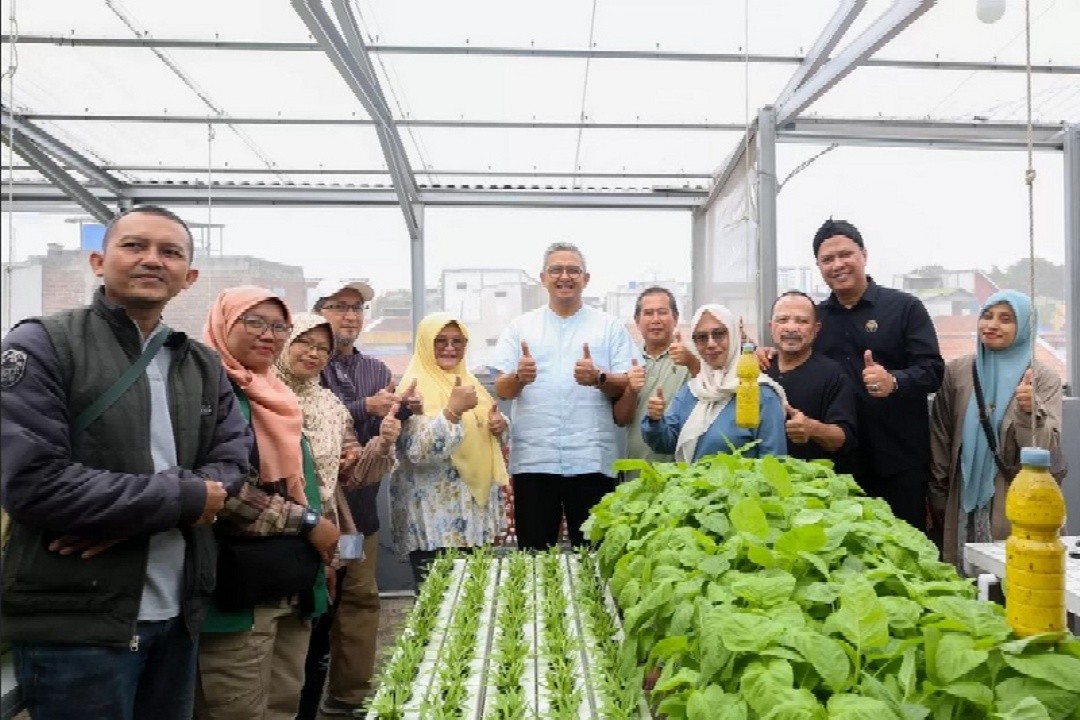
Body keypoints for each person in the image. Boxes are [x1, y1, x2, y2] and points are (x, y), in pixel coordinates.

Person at [0, 205, 250, 720]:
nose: (152, 260)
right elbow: (33, 482)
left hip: (179, 613)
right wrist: (180, 499)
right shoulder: (42, 344)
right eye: (134, 246)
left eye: (170, 252)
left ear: (190, 276)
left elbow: (234, 464)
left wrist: (141, 514)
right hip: (76, 618)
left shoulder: (199, 362)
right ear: (98, 260)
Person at [196, 287, 339, 720]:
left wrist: (323, 560)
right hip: (237, 591)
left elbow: (305, 483)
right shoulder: (207, 392)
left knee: (283, 704)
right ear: (224, 324)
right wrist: (308, 523)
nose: (268, 335)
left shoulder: (277, 396)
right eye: (253, 322)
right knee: (236, 706)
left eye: (279, 326)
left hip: (290, 584)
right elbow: (219, 492)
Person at [783, 219, 944, 530]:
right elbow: (795, 357)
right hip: (836, 464)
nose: (838, 265)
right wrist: (766, 354)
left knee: (904, 550)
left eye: (846, 254)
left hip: (898, 460)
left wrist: (894, 381)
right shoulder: (817, 320)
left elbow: (934, 371)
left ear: (864, 255)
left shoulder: (904, 308)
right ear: (818, 266)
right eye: (827, 260)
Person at [309, 279, 421, 717]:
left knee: (358, 599)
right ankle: (301, 695)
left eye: (356, 307)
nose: (349, 315)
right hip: (312, 514)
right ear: (317, 312)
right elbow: (309, 421)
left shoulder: (375, 370)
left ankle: (348, 697)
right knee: (314, 605)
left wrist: (401, 411)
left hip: (357, 515)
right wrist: (365, 409)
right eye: (338, 306)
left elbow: (380, 438)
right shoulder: (300, 362)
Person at [492, 242, 635, 550]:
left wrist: (598, 378)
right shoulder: (521, 327)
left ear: (586, 278)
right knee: (534, 556)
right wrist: (520, 378)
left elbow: (626, 382)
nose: (564, 277)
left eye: (573, 270)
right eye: (556, 270)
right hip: (535, 460)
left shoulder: (609, 327)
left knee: (595, 556)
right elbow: (501, 387)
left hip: (591, 460)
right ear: (543, 277)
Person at [929, 290, 1064, 569]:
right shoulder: (958, 372)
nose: (991, 325)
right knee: (962, 579)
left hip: (1013, 495)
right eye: (986, 316)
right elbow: (940, 437)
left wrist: (1029, 412)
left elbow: (1047, 448)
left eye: (1005, 319)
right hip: (962, 496)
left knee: (1013, 577)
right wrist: (938, 495)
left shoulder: (1043, 378)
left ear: (1025, 327)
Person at [390, 312, 509, 587]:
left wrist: (499, 426)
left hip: (473, 516)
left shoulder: (470, 383)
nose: (450, 347)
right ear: (424, 344)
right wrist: (452, 412)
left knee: (472, 603)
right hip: (434, 520)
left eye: (458, 341)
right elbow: (418, 452)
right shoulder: (412, 389)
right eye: (440, 341)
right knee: (437, 608)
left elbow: (486, 432)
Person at [642, 304, 787, 461]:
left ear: (733, 336)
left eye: (718, 334)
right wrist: (655, 420)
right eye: (702, 337)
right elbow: (666, 444)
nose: (710, 344)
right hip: (693, 484)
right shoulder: (692, 391)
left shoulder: (761, 393)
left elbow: (774, 461)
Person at [765, 290, 858, 475]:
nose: (791, 328)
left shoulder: (833, 374)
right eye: (782, 320)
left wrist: (811, 428)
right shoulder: (760, 370)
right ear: (771, 327)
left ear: (816, 329)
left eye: (802, 321)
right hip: (760, 482)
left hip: (813, 486)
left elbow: (843, 438)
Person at [613, 287, 693, 467]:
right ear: (637, 320)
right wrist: (631, 390)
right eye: (648, 313)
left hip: (681, 472)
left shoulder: (691, 354)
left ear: (676, 317)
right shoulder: (627, 358)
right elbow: (620, 419)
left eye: (662, 312)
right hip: (637, 469)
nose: (655, 319)